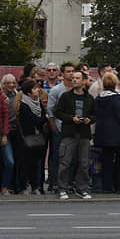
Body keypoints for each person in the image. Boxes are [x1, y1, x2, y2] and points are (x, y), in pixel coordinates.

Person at [54, 71, 95, 200]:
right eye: (73, 78)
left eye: (78, 78)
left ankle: (82, 188)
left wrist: (89, 119)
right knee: (65, 162)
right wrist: (71, 118)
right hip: (69, 133)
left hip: (84, 133)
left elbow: (95, 114)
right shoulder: (66, 96)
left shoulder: (89, 98)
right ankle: (62, 188)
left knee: (84, 163)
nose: (74, 80)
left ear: (84, 81)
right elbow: (58, 112)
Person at [94, 72, 120, 194]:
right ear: (115, 83)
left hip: (103, 136)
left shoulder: (99, 98)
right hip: (118, 136)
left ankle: (107, 186)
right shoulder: (116, 98)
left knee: (106, 162)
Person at [47, 61, 75, 192]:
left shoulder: (77, 89)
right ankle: (54, 183)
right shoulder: (56, 90)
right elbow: (50, 110)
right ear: (62, 74)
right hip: (59, 128)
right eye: (68, 72)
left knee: (72, 157)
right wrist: (53, 126)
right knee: (57, 156)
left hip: (74, 128)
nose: (71, 74)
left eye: (72, 71)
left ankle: (69, 182)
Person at [16, 79, 48, 195]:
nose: (37, 90)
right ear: (29, 92)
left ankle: (35, 187)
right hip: (27, 137)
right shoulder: (24, 105)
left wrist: (43, 118)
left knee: (36, 163)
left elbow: (43, 114)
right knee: (25, 163)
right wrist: (44, 118)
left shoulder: (38, 102)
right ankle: (22, 187)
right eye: (34, 88)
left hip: (38, 136)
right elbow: (35, 120)